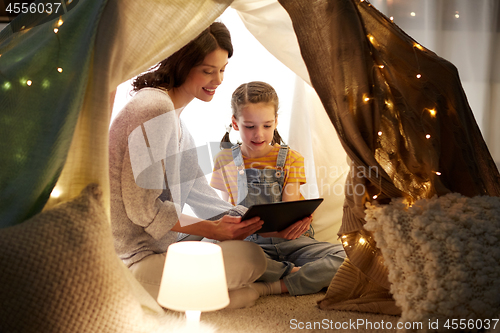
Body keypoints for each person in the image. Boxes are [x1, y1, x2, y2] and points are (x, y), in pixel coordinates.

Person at [109, 23, 268, 309]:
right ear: (181, 63)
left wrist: (261, 221)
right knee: (251, 259)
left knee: (250, 248)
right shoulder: (153, 109)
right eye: (208, 70)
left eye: (223, 69)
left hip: (162, 243)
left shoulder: (176, 120)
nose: (218, 80)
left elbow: (199, 193)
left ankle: (211, 296)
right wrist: (214, 230)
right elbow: (142, 208)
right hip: (133, 259)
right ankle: (199, 296)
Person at [210, 81, 346, 296]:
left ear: (275, 122)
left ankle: (273, 285)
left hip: (293, 241)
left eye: (267, 125)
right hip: (252, 247)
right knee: (212, 257)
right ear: (235, 123)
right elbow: (224, 209)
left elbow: (288, 210)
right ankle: (292, 272)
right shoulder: (225, 159)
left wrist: (300, 221)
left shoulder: (291, 158)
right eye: (250, 126)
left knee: (350, 257)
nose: (259, 135)